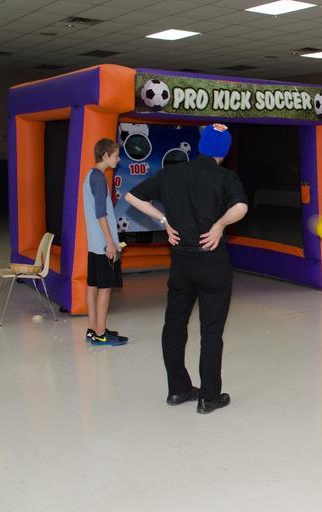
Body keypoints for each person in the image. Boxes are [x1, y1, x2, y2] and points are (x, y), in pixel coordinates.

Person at [125, 124, 248, 415]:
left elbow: (132, 197)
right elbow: (241, 207)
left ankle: (178, 389)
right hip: (212, 261)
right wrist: (219, 225)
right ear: (224, 150)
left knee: (174, 325)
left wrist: (164, 221)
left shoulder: (173, 173)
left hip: (181, 261)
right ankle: (209, 397)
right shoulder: (225, 177)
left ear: (201, 145)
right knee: (211, 330)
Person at [83, 139, 129, 346]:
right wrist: (110, 242)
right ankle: (101, 333)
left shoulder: (90, 176)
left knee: (93, 285)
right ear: (105, 156)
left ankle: (93, 329)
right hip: (103, 245)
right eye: (116, 156)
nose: (118, 160)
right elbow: (101, 214)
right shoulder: (99, 179)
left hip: (94, 243)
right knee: (105, 287)